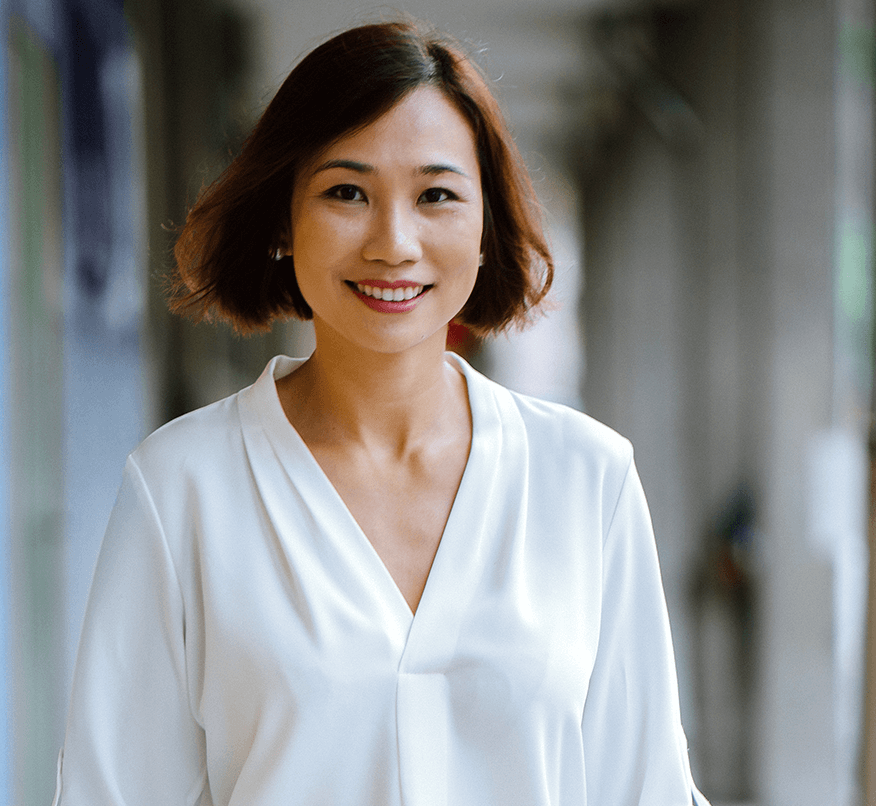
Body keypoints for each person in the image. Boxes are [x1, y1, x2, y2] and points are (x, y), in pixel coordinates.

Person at [53, 19, 709, 806]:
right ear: (282, 224)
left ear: (484, 228)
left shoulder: (586, 479)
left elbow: (643, 788)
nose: (393, 242)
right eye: (345, 192)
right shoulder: (182, 486)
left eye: (435, 195)